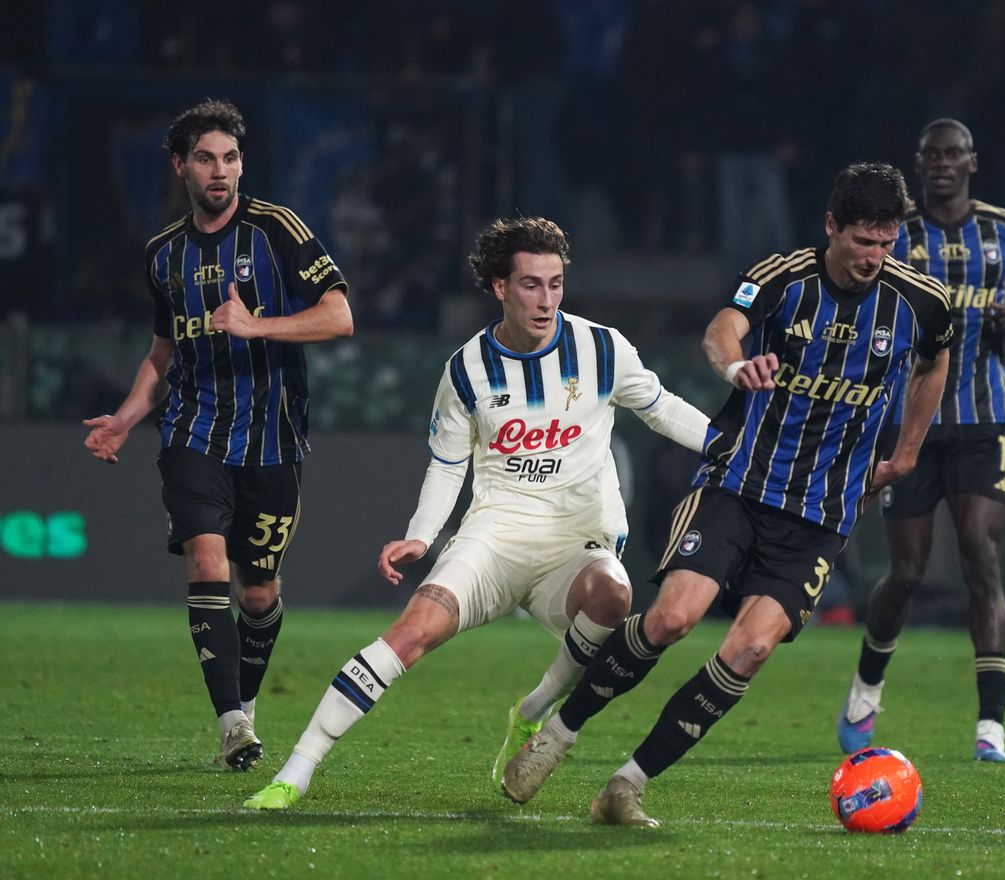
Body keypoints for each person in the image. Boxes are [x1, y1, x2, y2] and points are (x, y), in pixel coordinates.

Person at [501, 163, 953, 827]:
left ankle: (626, 787)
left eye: (886, 244)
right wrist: (737, 364)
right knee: (672, 619)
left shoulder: (920, 302)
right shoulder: (784, 278)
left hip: (821, 515)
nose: (873, 257)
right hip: (738, 485)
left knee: (750, 650)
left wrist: (908, 451)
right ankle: (558, 736)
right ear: (832, 226)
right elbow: (722, 328)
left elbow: (935, 359)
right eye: (863, 241)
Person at [243, 216, 711, 810]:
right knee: (410, 633)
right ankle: (295, 773)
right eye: (531, 285)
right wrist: (420, 536)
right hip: (494, 538)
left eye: (556, 284)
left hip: (577, 543)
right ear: (499, 287)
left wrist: (732, 446)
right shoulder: (466, 369)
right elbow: (447, 464)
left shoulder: (601, 348)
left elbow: (662, 408)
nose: (546, 300)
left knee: (614, 595)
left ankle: (533, 710)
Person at [83, 99, 354, 772]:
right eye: (205, 158)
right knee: (207, 564)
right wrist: (125, 416)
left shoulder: (278, 230)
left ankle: (246, 705)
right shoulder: (163, 255)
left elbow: (339, 316)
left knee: (258, 594)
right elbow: (162, 353)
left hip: (272, 439)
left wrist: (258, 325)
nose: (220, 171)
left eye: (230, 158)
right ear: (180, 166)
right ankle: (233, 725)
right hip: (193, 430)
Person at [836, 119, 1005, 763]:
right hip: (908, 423)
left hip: (984, 421)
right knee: (906, 572)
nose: (941, 163)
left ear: (971, 162)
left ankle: (991, 726)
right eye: (931, 155)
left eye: (952, 153)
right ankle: (867, 685)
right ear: (919, 163)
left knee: (980, 556)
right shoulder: (894, 235)